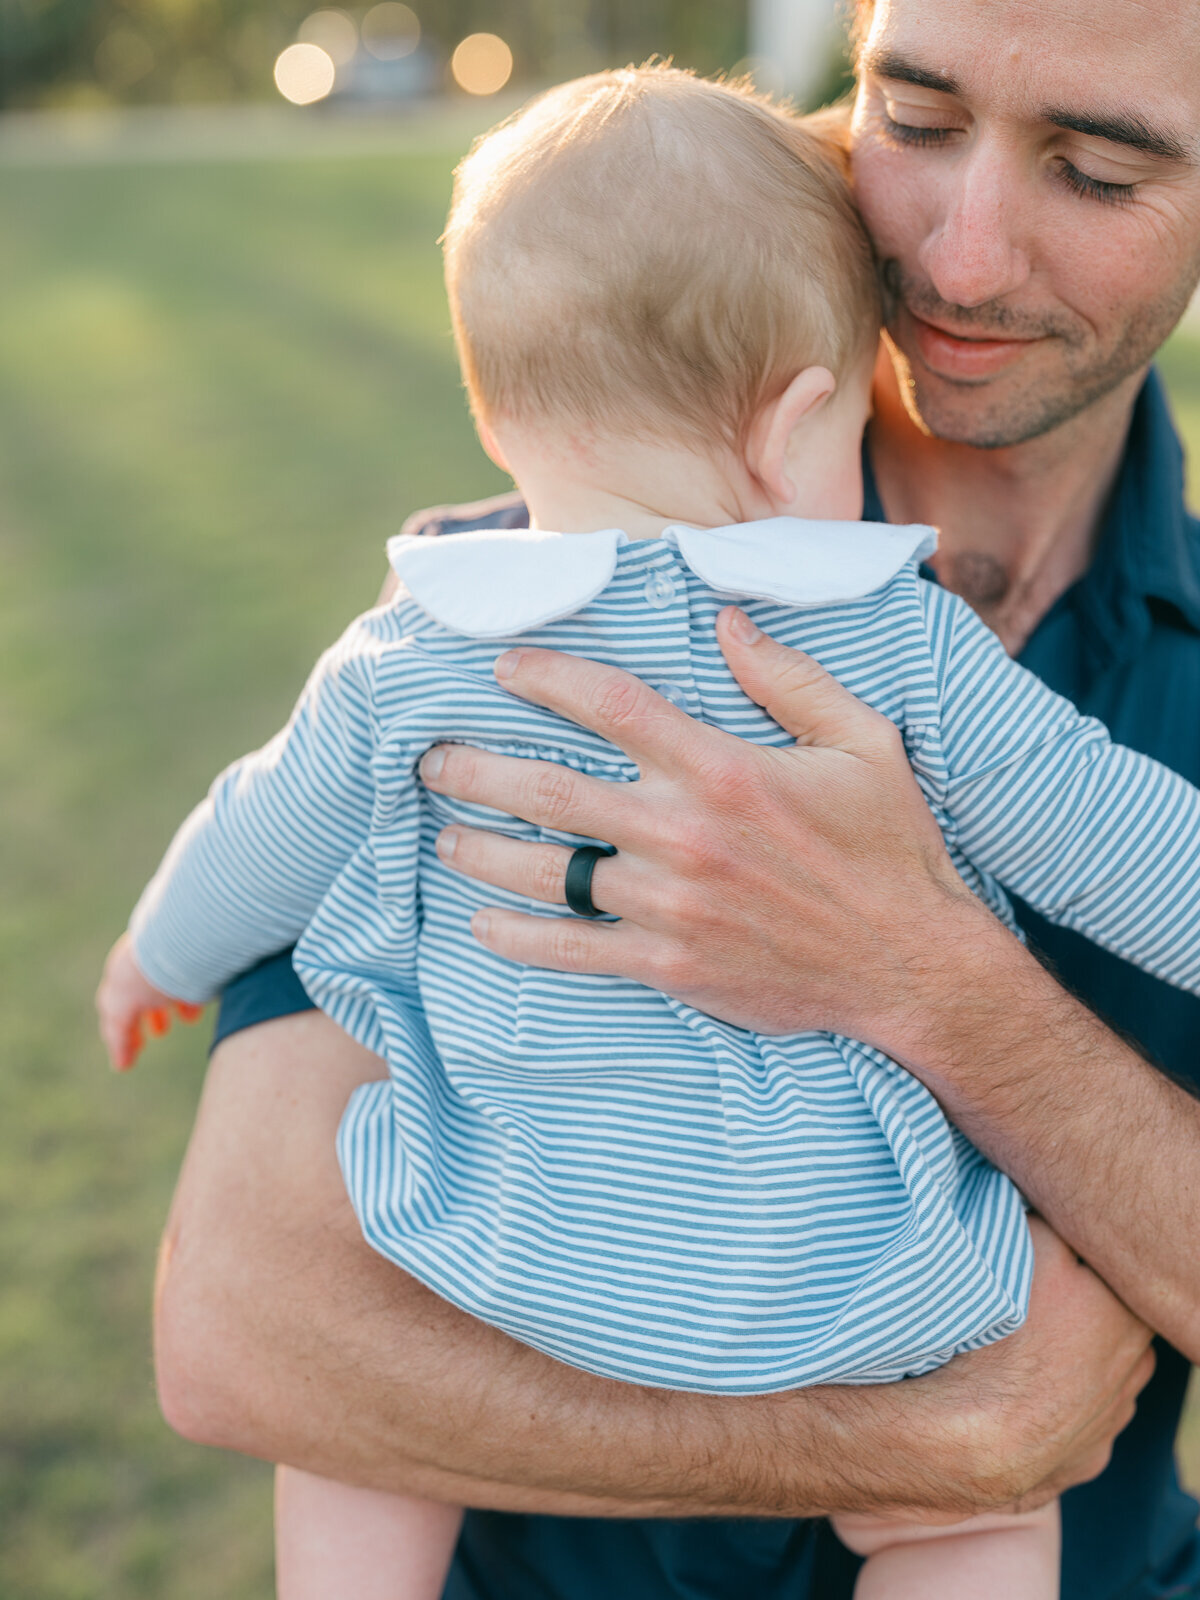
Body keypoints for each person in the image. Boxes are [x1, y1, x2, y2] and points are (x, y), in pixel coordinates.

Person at [99, 58, 1200, 1600]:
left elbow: (257, 831)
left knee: (347, 1461)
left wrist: (154, 951)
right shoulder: (890, 637)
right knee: (979, 1517)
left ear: (496, 407)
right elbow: (1126, 846)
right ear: (796, 419)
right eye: (921, 121)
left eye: (1098, 168)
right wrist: (910, 1440)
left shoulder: (417, 652)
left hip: (507, 1253)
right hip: (855, 1285)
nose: (957, 259)